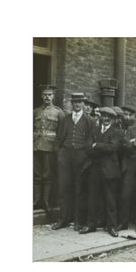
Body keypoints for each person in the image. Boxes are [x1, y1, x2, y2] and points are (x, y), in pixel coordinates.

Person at [52, 93, 94, 230]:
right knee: (64, 188)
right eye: (74, 102)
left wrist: (86, 154)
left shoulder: (89, 120)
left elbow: (90, 140)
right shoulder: (65, 119)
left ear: (83, 103)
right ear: (71, 103)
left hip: (81, 157)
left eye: (79, 102)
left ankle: (78, 221)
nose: (77, 104)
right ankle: (63, 219)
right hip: (65, 156)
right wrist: (59, 154)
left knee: (79, 189)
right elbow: (59, 138)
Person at [80, 107, 121, 237]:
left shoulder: (117, 132)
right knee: (92, 198)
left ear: (113, 120)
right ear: (101, 117)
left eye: (109, 117)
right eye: (104, 116)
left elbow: (112, 147)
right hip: (94, 168)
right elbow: (87, 148)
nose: (106, 119)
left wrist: (96, 145)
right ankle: (90, 225)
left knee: (110, 199)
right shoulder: (95, 130)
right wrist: (100, 146)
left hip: (109, 170)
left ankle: (112, 226)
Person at [33, 85, 65, 212]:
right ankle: (36, 201)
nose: (47, 97)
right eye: (45, 94)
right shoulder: (35, 111)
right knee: (36, 174)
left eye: (49, 95)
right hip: (35, 147)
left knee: (48, 175)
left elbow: (61, 132)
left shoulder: (58, 112)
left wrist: (57, 148)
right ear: (41, 96)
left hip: (50, 148)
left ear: (53, 96)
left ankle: (46, 202)